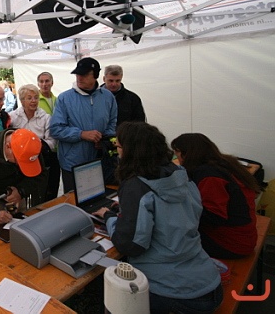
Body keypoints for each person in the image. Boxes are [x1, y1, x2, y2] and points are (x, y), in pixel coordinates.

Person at [93, 122, 223, 314]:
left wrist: (110, 217)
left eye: (118, 147)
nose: (117, 152)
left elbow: (130, 245)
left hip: (175, 293)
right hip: (209, 282)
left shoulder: (136, 187)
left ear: (130, 151)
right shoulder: (181, 175)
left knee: (107, 294)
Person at [171, 133, 261, 259]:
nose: (177, 158)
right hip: (244, 236)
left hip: (232, 244)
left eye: (177, 153)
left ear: (187, 154)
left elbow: (214, 217)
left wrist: (179, 210)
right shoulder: (226, 163)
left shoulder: (209, 175)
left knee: (169, 236)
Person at [49, 58, 117, 192]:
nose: (79, 77)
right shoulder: (64, 98)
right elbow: (55, 129)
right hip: (72, 164)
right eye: (77, 74)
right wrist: (81, 134)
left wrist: (103, 140)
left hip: (100, 162)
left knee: (99, 199)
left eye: (84, 74)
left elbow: (112, 124)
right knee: (74, 201)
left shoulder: (108, 97)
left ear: (96, 75)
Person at [10, 84, 55, 204]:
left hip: (40, 160)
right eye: (29, 98)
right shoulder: (13, 117)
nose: (33, 101)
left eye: (36, 97)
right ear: (22, 100)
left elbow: (52, 141)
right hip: (18, 163)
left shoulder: (46, 118)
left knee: (39, 195)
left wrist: (36, 146)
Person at [36, 72, 61, 200]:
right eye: (41, 81)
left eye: (47, 81)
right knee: (42, 186)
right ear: (38, 84)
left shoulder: (58, 100)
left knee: (54, 183)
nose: (44, 84)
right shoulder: (35, 100)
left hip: (58, 148)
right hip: (42, 149)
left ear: (52, 82)